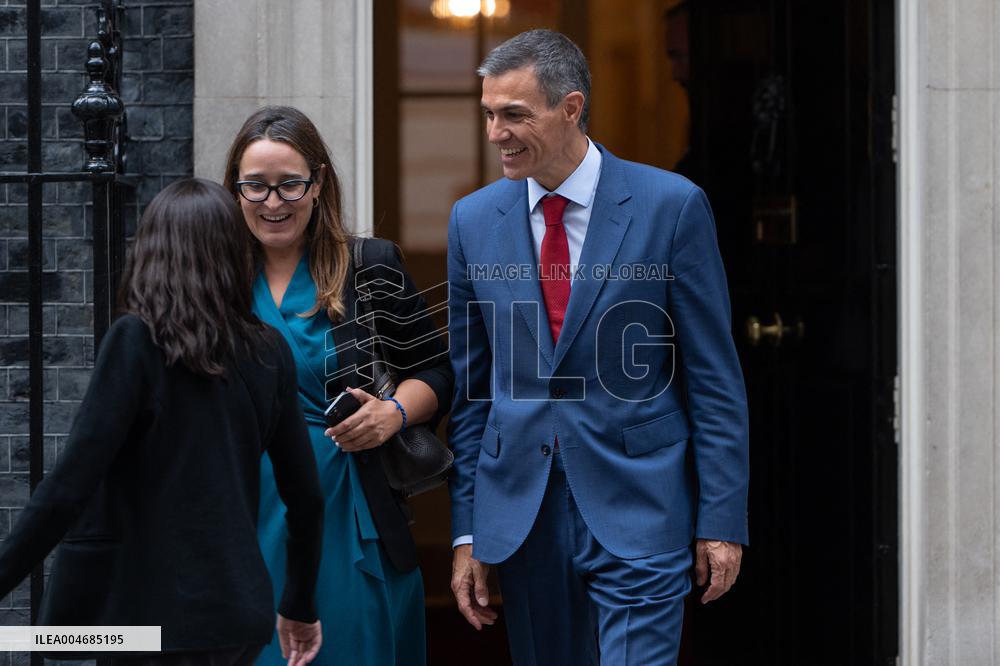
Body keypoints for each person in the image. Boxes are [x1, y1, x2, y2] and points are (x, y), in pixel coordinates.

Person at [447, 29, 750, 665]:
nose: (495, 133)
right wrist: (469, 529)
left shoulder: (671, 206)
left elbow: (713, 377)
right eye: (488, 115)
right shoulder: (473, 221)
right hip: (523, 512)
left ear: (571, 107)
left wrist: (721, 519)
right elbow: (472, 390)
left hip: (642, 502)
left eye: (514, 115)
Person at [0, 178, 324, 665]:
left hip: (144, 624)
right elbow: (306, 497)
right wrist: (297, 603)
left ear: (153, 251)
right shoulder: (268, 350)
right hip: (237, 616)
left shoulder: (136, 340)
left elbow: (68, 487)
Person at [223, 106, 453, 666]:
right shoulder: (216, 275)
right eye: (255, 186)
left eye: (290, 185)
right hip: (240, 509)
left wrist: (392, 414)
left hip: (347, 504)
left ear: (319, 183)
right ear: (234, 189)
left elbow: (439, 373)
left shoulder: (369, 266)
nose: (273, 203)